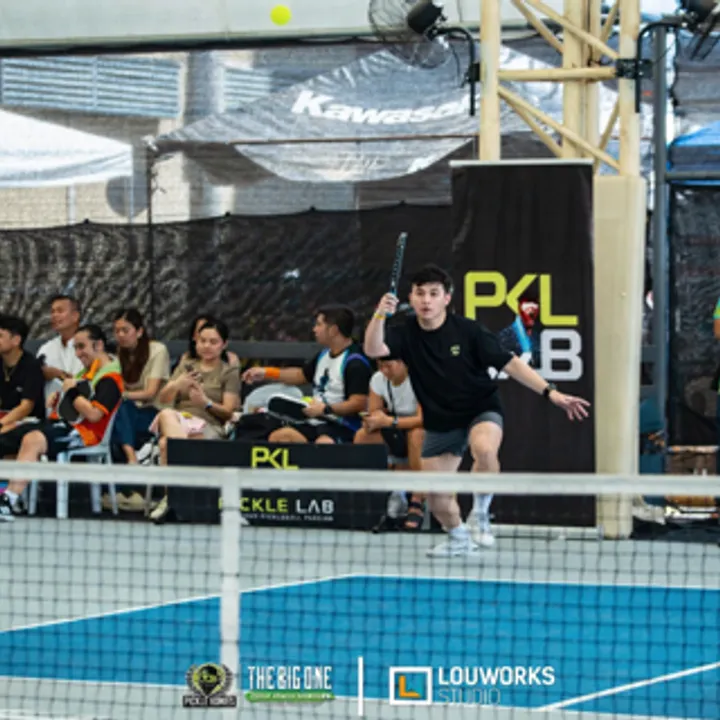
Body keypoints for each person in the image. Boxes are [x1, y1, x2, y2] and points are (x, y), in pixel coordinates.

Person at [364, 264, 590, 557]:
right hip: (440, 419)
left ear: (446, 298)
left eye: (434, 293)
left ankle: (480, 513)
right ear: (411, 298)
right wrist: (380, 315)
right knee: (436, 495)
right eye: (420, 293)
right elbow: (373, 349)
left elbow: (510, 363)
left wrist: (551, 392)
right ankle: (459, 538)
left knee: (484, 449)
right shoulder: (404, 333)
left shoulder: (468, 331)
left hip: (479, 407)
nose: (426, 300)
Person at [0, 324, 124, 522]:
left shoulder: (110, 379)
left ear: (99, 345)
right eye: (75, 348)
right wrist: (58, 399)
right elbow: (72, 402)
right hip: (58, 425)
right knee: (8, 434)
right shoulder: (85, 374)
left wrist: (71, 392)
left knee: (33, 439)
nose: (78, 353)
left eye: (81, 347)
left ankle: (7, 501)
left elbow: (93, 415)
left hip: (83, 434)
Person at [149, 317, 240, 523]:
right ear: (196, 342)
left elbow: (229, 412)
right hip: (179, 420)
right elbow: (163, 399)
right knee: (166, 414)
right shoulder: (186, 366)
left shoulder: (229, 372)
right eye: (202, 341)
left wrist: (206, 403)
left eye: (213, 342)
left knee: (166, 444)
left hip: (209, 426)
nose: (207, 346)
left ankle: (172, 498)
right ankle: (179, 494)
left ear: (224, 344)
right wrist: (177, 385)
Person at [243, 305, 372, 445]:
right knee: (280, 437)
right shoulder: (323, 355)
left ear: (333, 330)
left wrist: (326, 409)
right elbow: (300, 375)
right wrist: (266, 372)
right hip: (315, 422)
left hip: (342, 426)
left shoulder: (355, 362)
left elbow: (359, 403)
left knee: (324, 444)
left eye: (319, 325)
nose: (314, 329)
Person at [353, 353, 427, 531]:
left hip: (421, 428)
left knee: (416, 436)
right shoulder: (378, 379)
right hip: (394, 428)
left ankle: (417, 502)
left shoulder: (420, 377)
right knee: (362, 436)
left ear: (403, 363)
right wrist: (371, 421)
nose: (384, 370)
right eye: (380, 366)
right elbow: (375, 411)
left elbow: (423, 419)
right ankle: (376, 498)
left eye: (389, 366)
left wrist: (390, 421)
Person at [0, 315, 46, 431]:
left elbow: (26, 407)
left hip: (27, 421)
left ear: (16, 340)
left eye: (0, 336)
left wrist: (1, 424)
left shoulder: (31, 366)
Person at [36, 295, 83, 406]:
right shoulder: (46, 349)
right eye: (52, 312)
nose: (54, 315)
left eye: (60, 311)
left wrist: (58, 374)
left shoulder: (88, 347)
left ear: (75, 316)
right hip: (51, 411)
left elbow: (88, 382)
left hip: (83, 410)